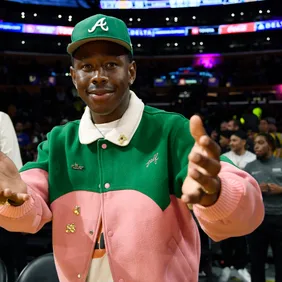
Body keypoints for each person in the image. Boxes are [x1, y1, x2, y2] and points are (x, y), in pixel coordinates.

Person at [0, 14, 264, 282]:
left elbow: (246, 213)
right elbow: (24, 210)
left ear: (132, 71)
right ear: (73, 76)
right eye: (87, 66)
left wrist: (217, 194)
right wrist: (14, 201)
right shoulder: (59, 141)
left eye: (111, 65)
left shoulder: (171, 131)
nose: (98, 77)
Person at [245, 133, 282, 282]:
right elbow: (242, 193)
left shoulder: (280, 163)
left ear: (270, 145)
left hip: (280, 219)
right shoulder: (249, 167)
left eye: (261, 143)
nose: (256, 146)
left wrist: (280, 189)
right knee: (256, 263)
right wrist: (255, 189)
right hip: (257, 221)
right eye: (255, 143)